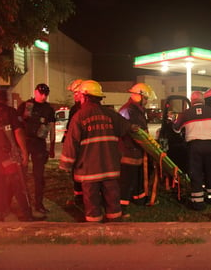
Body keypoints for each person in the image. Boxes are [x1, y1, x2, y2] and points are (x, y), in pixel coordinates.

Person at [59, 80, 136, 222]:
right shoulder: (111, 114)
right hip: (110, 167)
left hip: (89, 170)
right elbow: (127, 128)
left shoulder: (79, 116)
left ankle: (95, 231)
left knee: (92, 202)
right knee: (113, 198)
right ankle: (115, 227)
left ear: (85, 96)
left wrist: (66, 164)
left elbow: (72, 143)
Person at [0, 90, 44, 221]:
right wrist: (24, 152)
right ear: (5, 100)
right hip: (8, 156)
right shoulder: (10, 112)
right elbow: (18, 132)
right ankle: (27, 213)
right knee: (18, 184)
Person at [172, 91, 211, 211]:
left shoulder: (185, 114)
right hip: (210, 145)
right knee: (210, 171)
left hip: (194, 146)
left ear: (192, 101)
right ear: (203, 100)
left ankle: (198, 202)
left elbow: (176, 130)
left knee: (196, 172)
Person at [17, 83, 56, 215]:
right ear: (35, 92)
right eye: (41, 93)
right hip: (25, 142)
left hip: (39, 144)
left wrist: (52, 145)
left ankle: (38, 204)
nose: (43, 96)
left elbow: (51, 127)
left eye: (46, 94)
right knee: (20, 174)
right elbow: (18, 125)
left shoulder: (48, 109)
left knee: (38, 176)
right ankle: (23, 204)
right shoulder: (26, 105)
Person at [118, 83, 157, 211]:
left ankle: (139, 198)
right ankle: (121, 205)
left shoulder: (136, 110)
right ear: (139, 96)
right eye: (145, 99)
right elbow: (137, 132)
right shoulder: (129, 110)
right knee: (127, 179)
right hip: (129, 151)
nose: (146, 102)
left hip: (136, 150)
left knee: (138, 176)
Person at [63, 79, 84, 205]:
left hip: (80, 147)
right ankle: (80, 195)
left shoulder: (78, 109)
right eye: (74, 93)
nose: (74, 96)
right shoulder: (76, 109)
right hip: (81, 147)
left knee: (79, 172)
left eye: (76, 93)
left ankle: (80, 196)